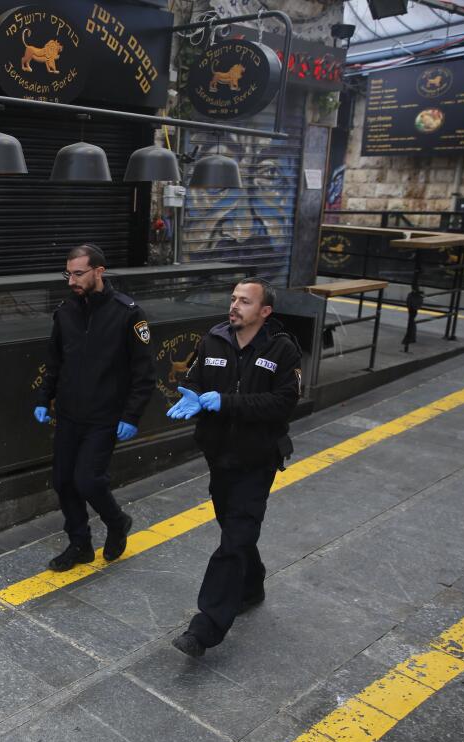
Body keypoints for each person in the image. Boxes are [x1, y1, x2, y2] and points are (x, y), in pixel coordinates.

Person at [166, 277, 301, 657]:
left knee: (233, 540)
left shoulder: (282, 349)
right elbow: (193, 380)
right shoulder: (213, 340)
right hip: (219, 456)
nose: (235, 305)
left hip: (258, 460)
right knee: (235, 530)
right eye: (233, 299)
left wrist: (227, 402)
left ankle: (205, 628)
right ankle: (253, 584)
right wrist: (191, 394)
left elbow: (283, 404)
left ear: (265, 311)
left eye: (245, 301)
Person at [33, 244, 157, 571]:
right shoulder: (65, 312)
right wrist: (44, 399)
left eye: (78, 273)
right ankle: (80, 544)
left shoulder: (128, 313)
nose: (71, 280)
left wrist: (132, 415)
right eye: (68, 273)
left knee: (88, 480)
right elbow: (54, 361)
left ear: (99, 272)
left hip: (105, 416)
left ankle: (117, 522)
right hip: (70, 415)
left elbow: (144, 373)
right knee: (62, 481)